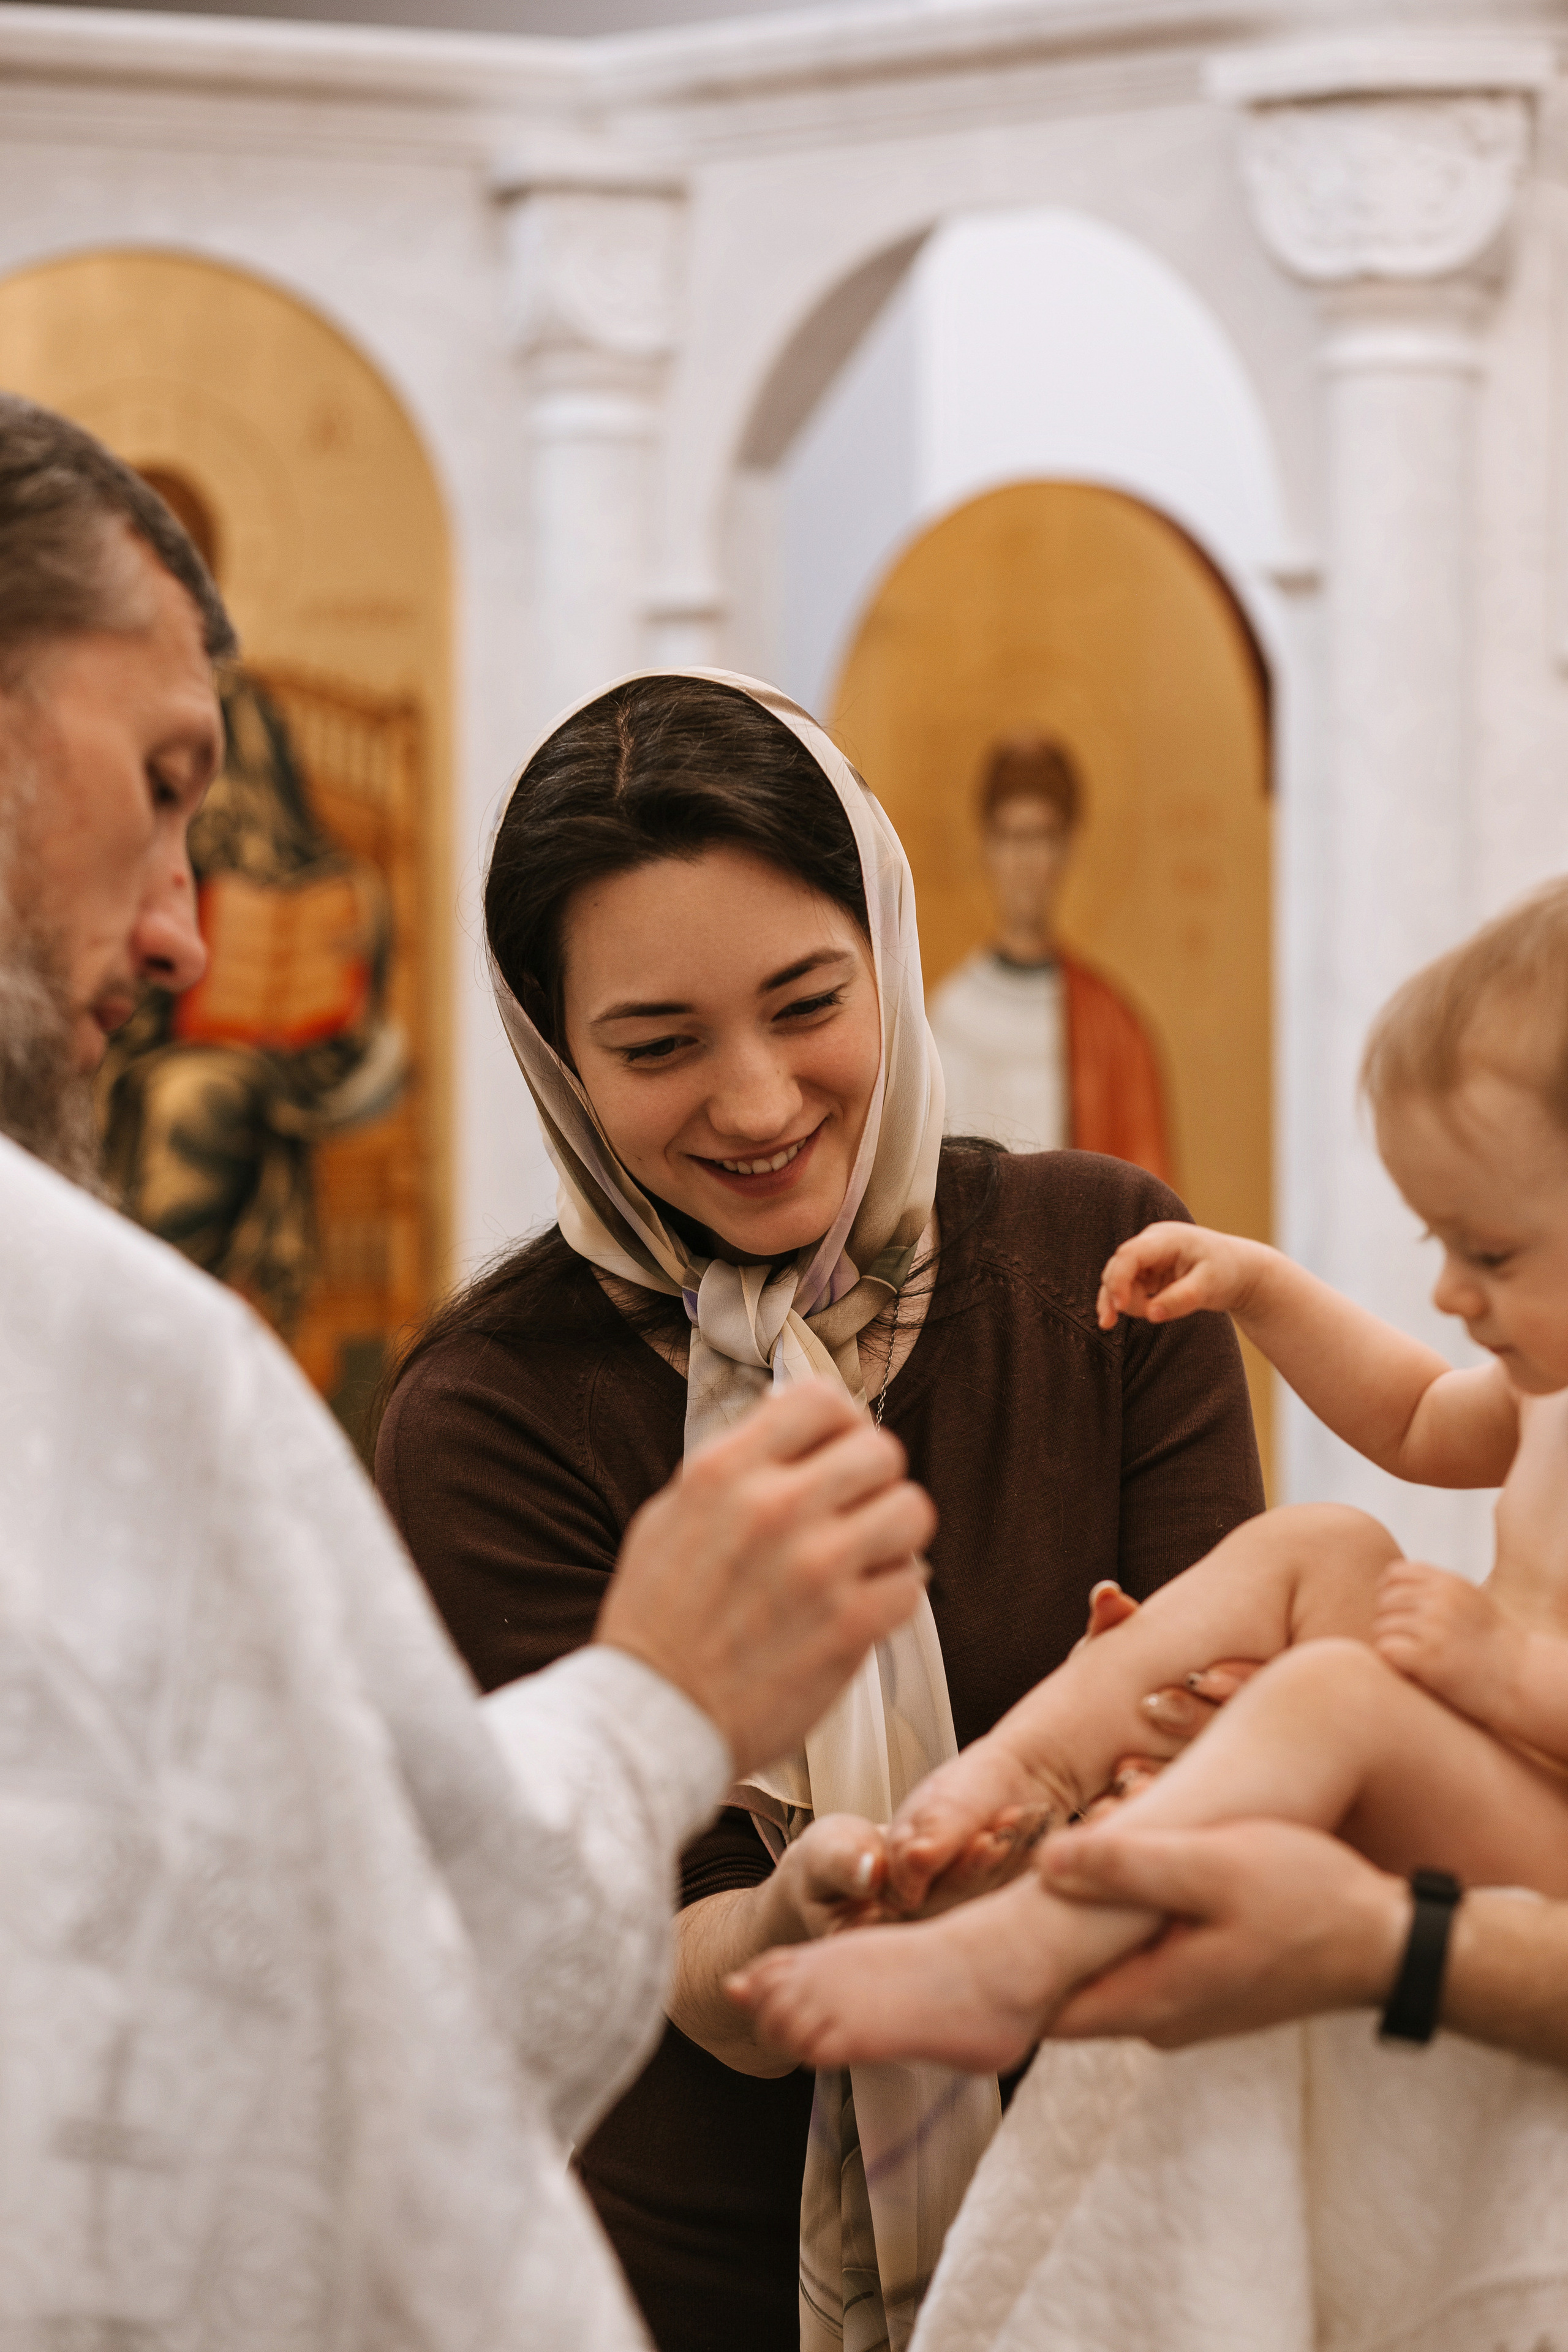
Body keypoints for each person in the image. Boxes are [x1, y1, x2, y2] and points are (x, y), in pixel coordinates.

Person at [0, 392, 936, 2346]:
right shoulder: (149, 1360)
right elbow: (338, 2025)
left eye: (807, 1001)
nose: (184, 925)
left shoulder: (1108, 1259)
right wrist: (658, 1698)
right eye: (162, 778)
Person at [373, 669, 1265, 2352]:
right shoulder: (493, 1417)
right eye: (656, 1046)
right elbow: (634, 1941)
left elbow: (1235, 1737)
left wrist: (1173, 1769)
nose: (762, 1102)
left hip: (1138, 2240)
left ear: (888, 953)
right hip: (698, 2292)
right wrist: (794, 1926)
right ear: (556, 1057)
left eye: (807, 1004)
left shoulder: (1113, 1267)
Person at [730, 881, 1568, 2350]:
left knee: (1332, 1696)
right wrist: (1258, 1287)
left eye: (1489, 1255)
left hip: (1539, 1826)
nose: (1448, 1291)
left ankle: (1047, 1937)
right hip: (1491, 1773)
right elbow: (1422, 1417)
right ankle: (1006, 1782)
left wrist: (1503, 1671)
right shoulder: (1546, 1386)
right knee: (1314, 1539)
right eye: (1437, 1244)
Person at [927, 736, 1170, 1177]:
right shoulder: (951, 1015)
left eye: (1041, 838)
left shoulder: (1111, 1028)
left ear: (1066, 849)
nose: (1024, 862)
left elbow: (1145, 1193)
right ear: (987, 848)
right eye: (1009, 837)